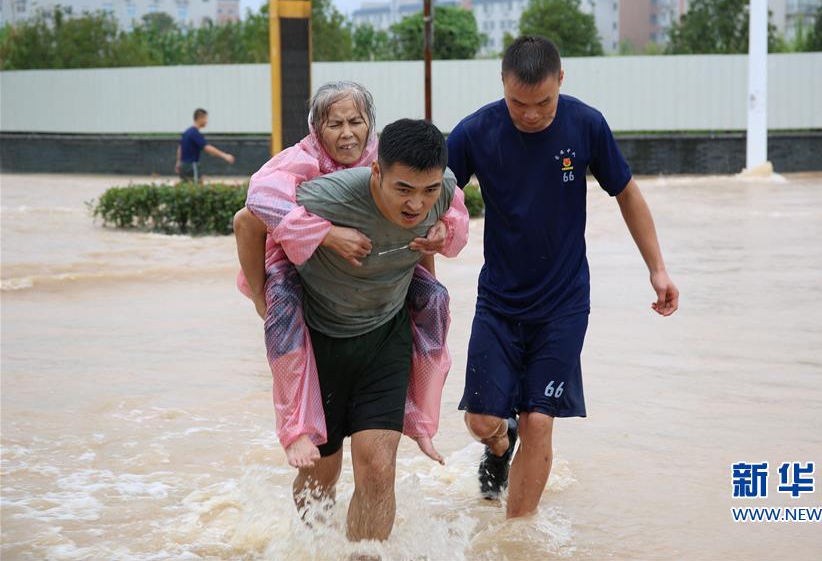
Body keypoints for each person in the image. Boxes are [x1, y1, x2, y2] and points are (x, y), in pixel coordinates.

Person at [447, 36, 680, 518]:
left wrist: (657, 269)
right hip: (499, 301)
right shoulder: (475, 132)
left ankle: (516, 536)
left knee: (539, 421)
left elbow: (627, 194)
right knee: (480, 418)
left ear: (561, 81)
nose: (530, 114)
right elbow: (430, 195)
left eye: (542, 103)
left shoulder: (586, 125)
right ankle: (497, 445)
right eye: (518, 103)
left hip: (564, 304)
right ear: (502, 84)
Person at [232, 82, 467, 501]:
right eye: (334, 123)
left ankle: (421, 421)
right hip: (297, 267)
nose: (346, 134)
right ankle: (296, 430)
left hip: (382, 281)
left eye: (356, 121)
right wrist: (324, 234)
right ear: (316, 128)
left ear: (370, 125)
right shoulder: (302, 162)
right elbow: (256, 206)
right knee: (284, 315)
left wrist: (441, 231)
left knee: (436, 300)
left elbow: (449, 208)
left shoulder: (391, 162)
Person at [175, 108, 235, 182]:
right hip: (192, 166)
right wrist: (225, 156)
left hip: (183, 166)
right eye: (206, 118)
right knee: (196, 188)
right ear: (200, 118)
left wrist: (178, 163)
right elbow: (207, 148)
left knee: (187, 188)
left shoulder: (187, 132)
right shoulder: (195, 133)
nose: (207, 121)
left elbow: (180, 148)